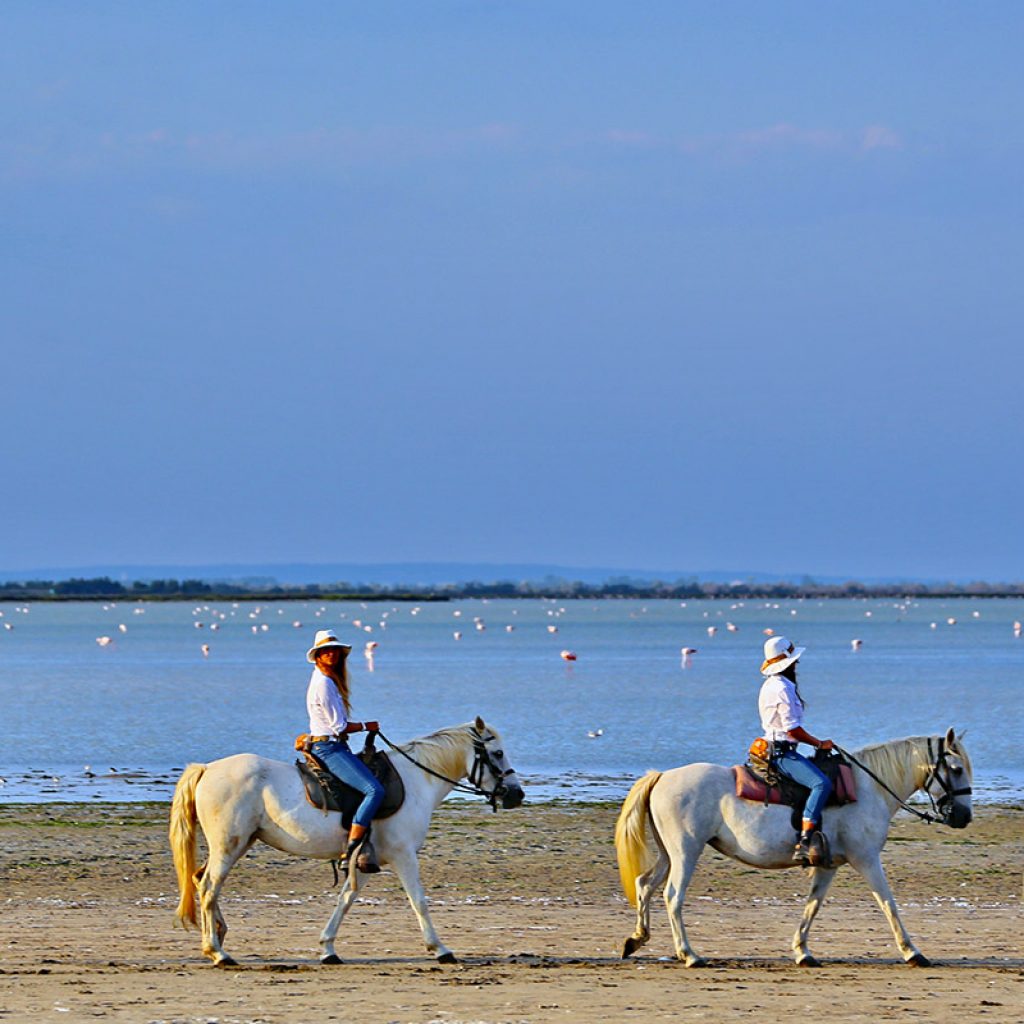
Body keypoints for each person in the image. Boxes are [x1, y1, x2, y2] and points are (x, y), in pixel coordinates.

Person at [305, 629, 385, 871]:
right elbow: (339, 726)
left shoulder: (323, 678)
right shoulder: (325, 684)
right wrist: (366, 726)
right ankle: (352, 846)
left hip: (327, 742)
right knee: (374, 790)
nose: (331, 654)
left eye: (334, 651)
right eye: (325, 651)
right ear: (318, 655)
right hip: (329, 746)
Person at [758, 635, 834, 864]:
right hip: (782, 752)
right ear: (788, 664)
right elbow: (792, 731)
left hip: (775, 746)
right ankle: (804, 839)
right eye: (795, 662)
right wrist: (820, 744)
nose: (797, 665)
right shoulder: (783, 688)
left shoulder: (771, 684)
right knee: (822, 783)